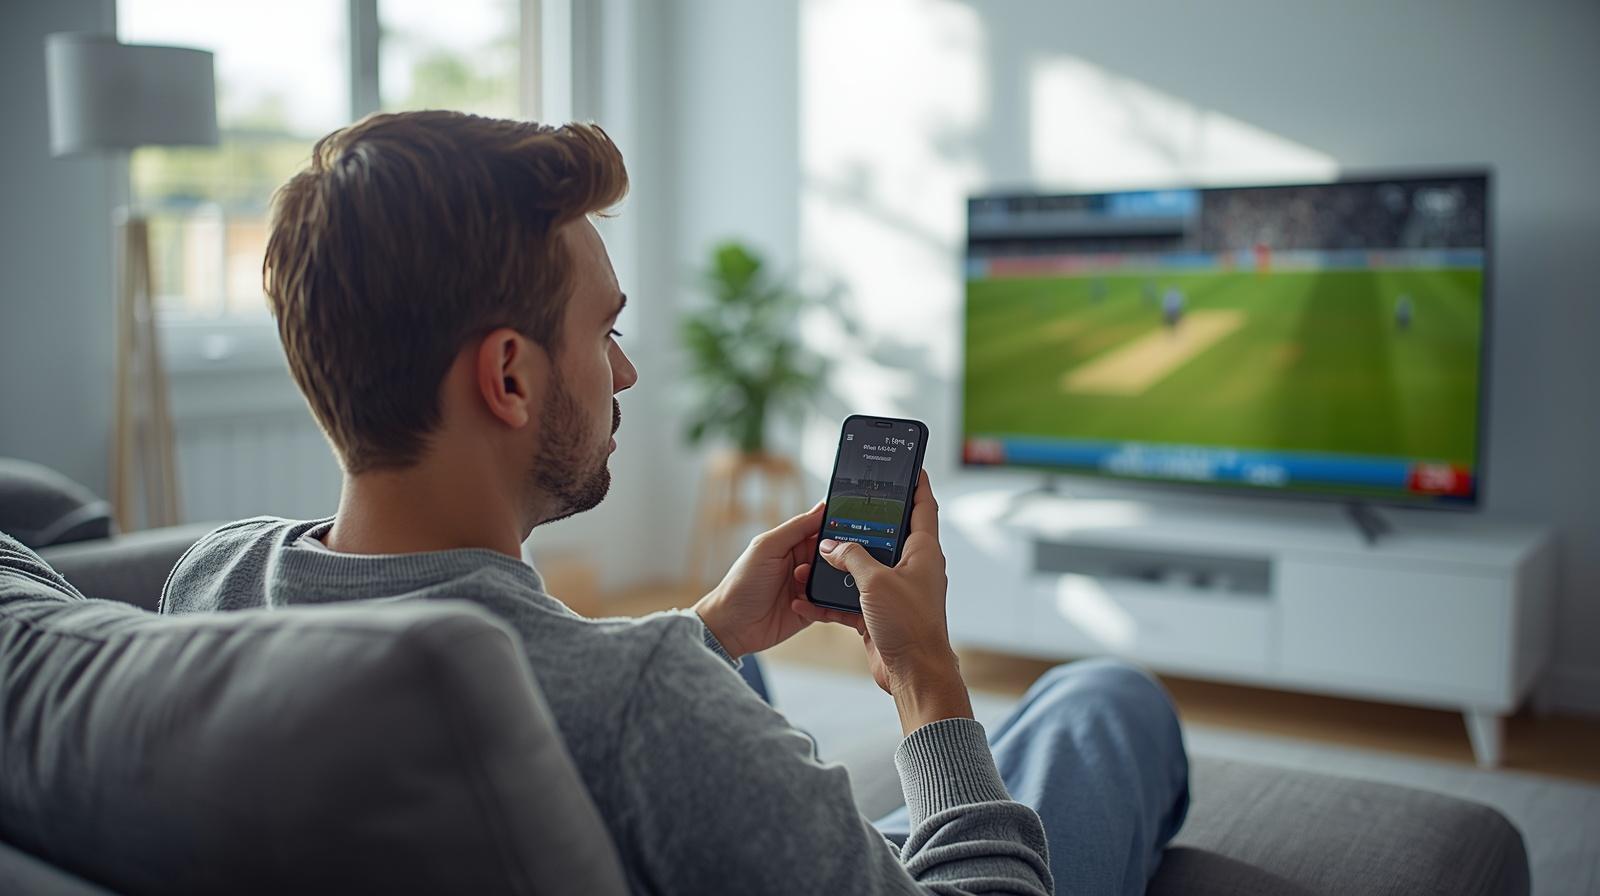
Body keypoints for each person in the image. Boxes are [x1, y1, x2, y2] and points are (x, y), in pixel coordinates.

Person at [160, 111, 1189, 896]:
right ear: (509, 377)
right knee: (1102, 701)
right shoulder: (640, 704)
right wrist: (926, 674)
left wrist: (705, 632)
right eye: (605, 331)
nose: (626, 371)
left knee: (754, 674)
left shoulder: (212, 582)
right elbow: (618, 711)